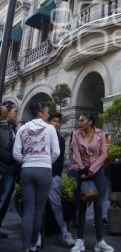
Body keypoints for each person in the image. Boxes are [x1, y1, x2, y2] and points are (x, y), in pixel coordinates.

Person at [13, 102, 60, 252]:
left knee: (28, 210)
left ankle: (26, 247)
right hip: (44, 170)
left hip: (27, 170)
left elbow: (16, 153)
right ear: (40, 113)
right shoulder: (50, 128)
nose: (48, 114)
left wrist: (27, 161)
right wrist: (45, 161)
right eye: (47, 112)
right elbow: (56, 152)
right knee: (39, 210)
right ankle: (34, 244)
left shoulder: (22, 128)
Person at [70, 112, 113, 252]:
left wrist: (92, 170)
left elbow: (104, 153)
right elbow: (75, 153)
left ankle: (100, 241)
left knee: (99, 206)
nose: (79, 122)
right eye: (79, 120)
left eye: (82, 120)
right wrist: (83, 171)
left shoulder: (100, 134)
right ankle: (79, 241)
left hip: (97, 172)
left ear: (90, 121)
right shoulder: (76, 134)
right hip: (81, 172)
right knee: (81, 206)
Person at [48, 113, 75, 246]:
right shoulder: (43, 136)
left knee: (57, 206)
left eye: (58, 121)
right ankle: (37, 236)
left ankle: (65, 232)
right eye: (54, 120)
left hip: (54, 176)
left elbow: (59, 160)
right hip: (42, 174)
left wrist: (56, 174)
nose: (57, 123)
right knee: (38, 206)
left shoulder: (60, 139)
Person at [0, 101, 18, 238]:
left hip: (10, 171)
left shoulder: (14, 129)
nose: (16, 114)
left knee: (4, 201)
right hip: (2, 169)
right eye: (15, 111)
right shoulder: (3, 126)